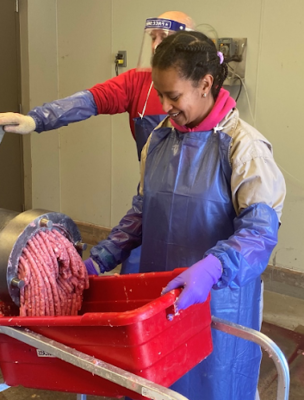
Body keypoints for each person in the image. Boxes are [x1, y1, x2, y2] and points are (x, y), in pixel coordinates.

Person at [83, 30, 286, 400]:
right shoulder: (160, 139)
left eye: (173, 95)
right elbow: (142, 214)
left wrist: (212, 269)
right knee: (158, 385)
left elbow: (259, 233)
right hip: (159, 299)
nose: (164, 105)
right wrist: (98, 260)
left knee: (212, 386)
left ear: (205, 83)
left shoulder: (244, 148)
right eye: (160, 94)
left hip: (217, 307)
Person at [0, 10, 195, 275]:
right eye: (153, 37)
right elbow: (90, 100)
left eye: (165, 37)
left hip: (196, 213)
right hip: (150, 200)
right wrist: (36, 119)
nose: (156, 45)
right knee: (136, 285)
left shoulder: (203, 98)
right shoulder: (138, 83)